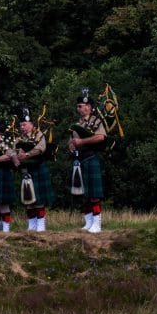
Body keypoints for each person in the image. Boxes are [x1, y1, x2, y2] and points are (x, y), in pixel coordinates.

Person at [69, 90, 108, 233]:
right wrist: (71, 145)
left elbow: (101, 137)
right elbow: (72, 141)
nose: (79, 107)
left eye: (82, 105)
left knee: (93, 194)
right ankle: (88, 222)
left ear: (89, 107)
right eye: (78, 105)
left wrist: (81, 141)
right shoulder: (76, 124)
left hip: (91, 158)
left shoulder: (96, 121)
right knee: (83, 194)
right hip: (79, 160)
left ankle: (97, 224)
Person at [13, 108, 55, 232]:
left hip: (38, 168)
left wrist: (26, 155)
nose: (22, 127)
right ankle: (31, 225)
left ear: (31, 125)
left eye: (24, 124)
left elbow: (41, 148)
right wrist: (15, 158)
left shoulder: (38, 135)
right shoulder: (18, 139)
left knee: (39, 199)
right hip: (26, 170)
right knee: (29, 199)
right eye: (20, 125)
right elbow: (12, 151)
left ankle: (41, 226)